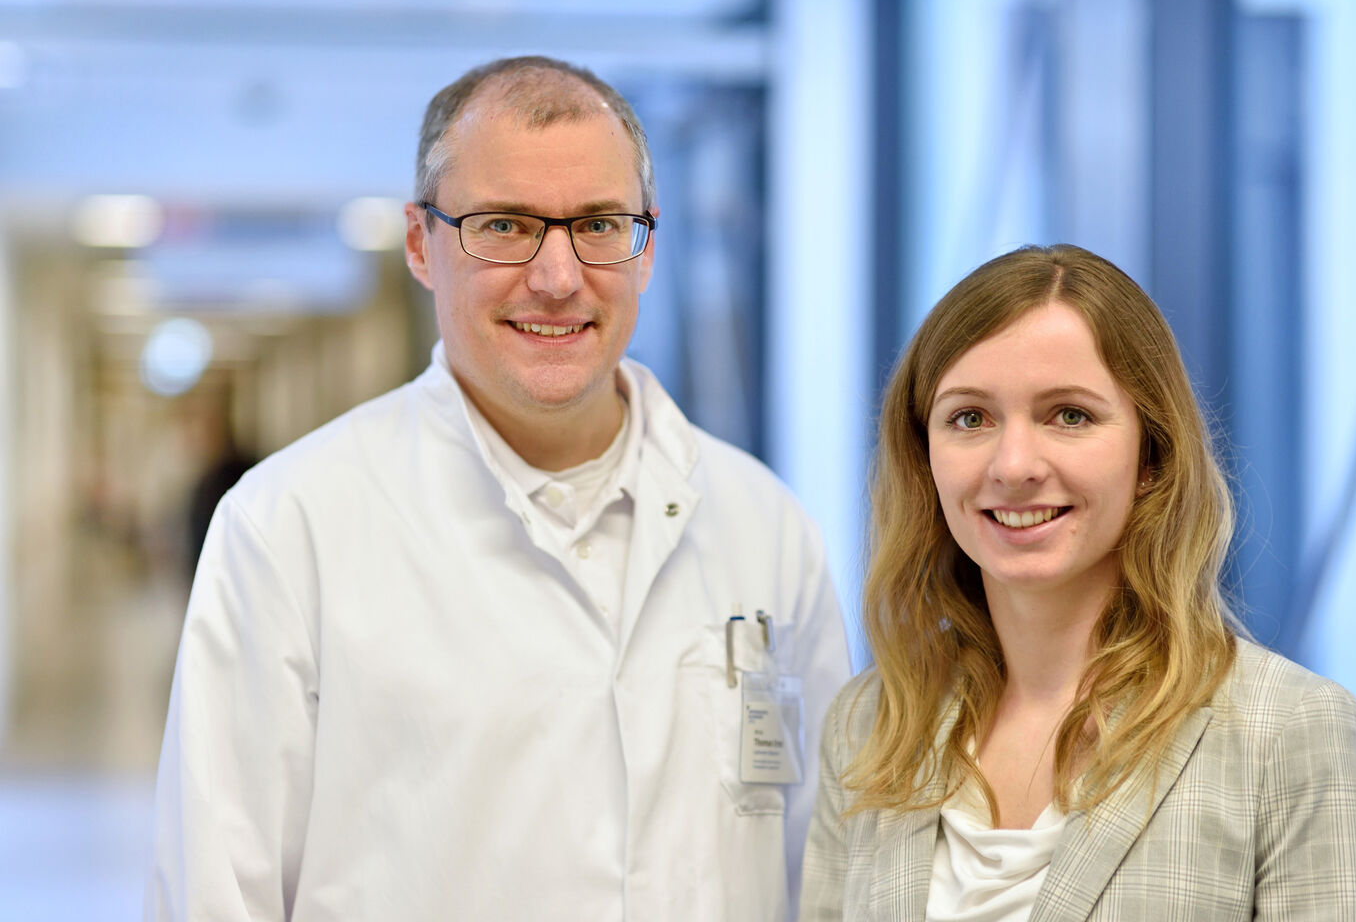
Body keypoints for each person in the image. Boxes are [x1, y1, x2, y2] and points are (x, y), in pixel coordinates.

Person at [147, 56, 850, 921]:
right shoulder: (289, 527)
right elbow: (217, 890)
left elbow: (823, 868)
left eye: (597, 224)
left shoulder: (763, 525)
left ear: (647, 247)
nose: (558, 277)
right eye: (506, 226)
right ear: (419, 243)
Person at [800, 244, 1356, 920]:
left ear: (1150, 456)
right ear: (923, 457)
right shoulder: (869, 725)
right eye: (969, 418)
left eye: (1068, 415)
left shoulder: (1288, 731)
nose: (1013, 464)